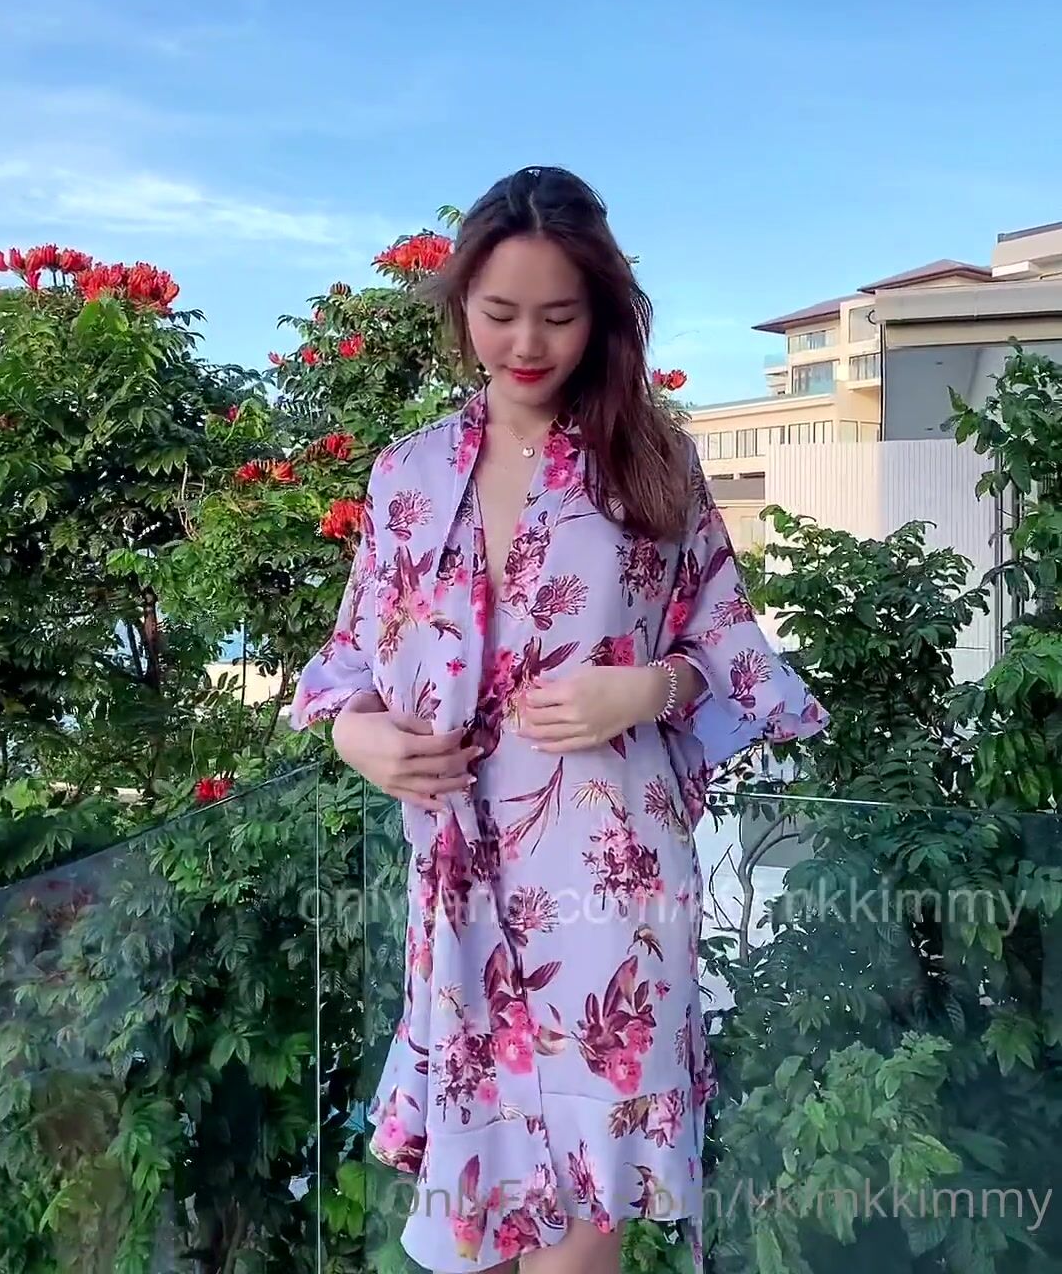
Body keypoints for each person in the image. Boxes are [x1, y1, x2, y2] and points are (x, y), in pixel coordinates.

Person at [290, 166, 828, 1273]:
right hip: (457, 895)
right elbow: (349, 660)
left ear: (604, 314)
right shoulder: (405, 476)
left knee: (584, 1225)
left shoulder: (651, 463)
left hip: (610, 894)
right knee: (476, 1228)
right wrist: (358, 736)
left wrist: (647, 689)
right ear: (461, 308)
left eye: (559, 314)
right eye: (499, 313)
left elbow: (728, 648)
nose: (526, 343)